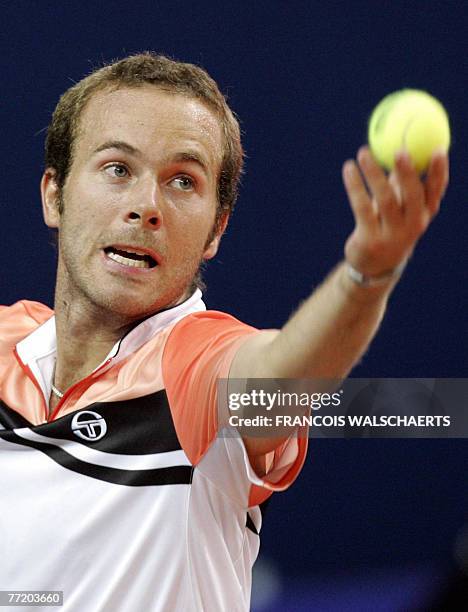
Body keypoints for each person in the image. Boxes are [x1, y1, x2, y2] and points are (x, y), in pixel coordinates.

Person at [0, 52, 449, 611]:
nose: (146, 206)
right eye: (118, 169)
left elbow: (283, 372)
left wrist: (367, 276)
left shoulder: (193, 367)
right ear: (54, 194)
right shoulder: (6, 341)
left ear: (216, 229)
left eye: (183, 181)